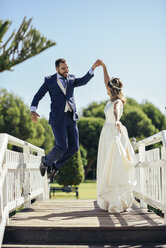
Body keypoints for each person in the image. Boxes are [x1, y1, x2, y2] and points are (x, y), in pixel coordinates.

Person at [30, 58, 101, 182]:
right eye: (63, 68)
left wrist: (93, 67)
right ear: (56, 69)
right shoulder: (49, 80)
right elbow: (38, 95)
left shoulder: (71, 78)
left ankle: (55, 167)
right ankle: (45, 162)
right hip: (57, 119)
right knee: (62, 146)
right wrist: (33, 110)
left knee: (74, 147)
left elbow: (84, 81)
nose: (66, 70)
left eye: (67, 68)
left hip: (70, 117)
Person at [97, 60, 136, 213]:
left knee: (115, 166)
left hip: (113, 132)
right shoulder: (111, 98)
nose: (106, 88)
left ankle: (117, 201)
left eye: (108, 88)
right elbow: (106, 81)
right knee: (107, 165)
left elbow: (116, 110)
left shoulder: (117, 102)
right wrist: (104, 67)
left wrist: (117, 120)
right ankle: (109, 199)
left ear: (111, 90)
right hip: (106, 133)